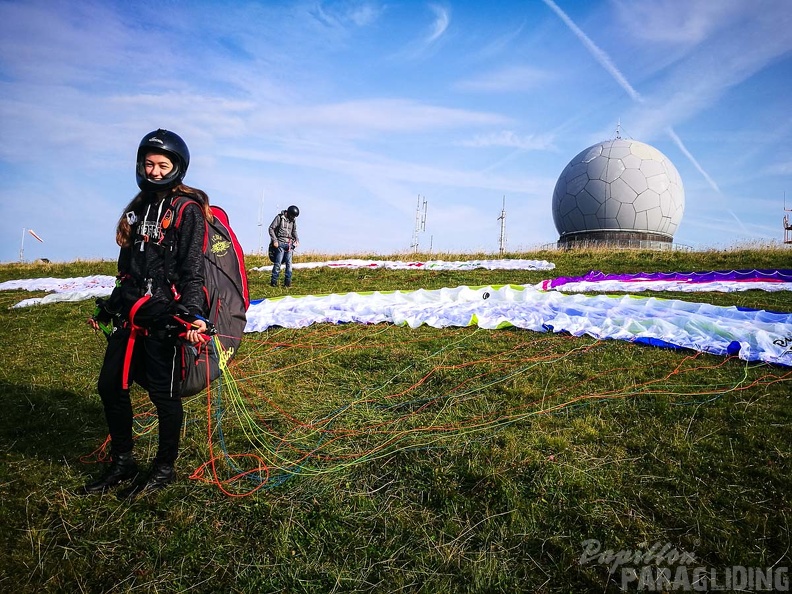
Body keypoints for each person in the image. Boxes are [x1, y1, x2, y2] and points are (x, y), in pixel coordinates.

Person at [84, 129, 210, 495]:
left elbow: (192, 271)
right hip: (130, 314)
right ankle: (123, 461)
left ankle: (164, 467)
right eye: (149, 163)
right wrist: (110, 308)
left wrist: (193, 315)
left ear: (177, 167)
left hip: (165, 316)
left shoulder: (187, 211)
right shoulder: (137, 209)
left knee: (163, 395)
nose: (154, 171)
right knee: (110, 387)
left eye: (162, 164)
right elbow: (127, 271)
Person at [268, 205, 300, 287]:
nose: (293, 218)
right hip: (280, 243)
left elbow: (294, 231)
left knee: (289, 265)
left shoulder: (293, 221)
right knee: (278, 263)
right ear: (289, 213)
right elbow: (271, 228)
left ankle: (287, 283)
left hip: (289, 244)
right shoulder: (279, 218)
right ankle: (274, 282)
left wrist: (297, 239)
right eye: (292, 216)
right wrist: (275, 240)